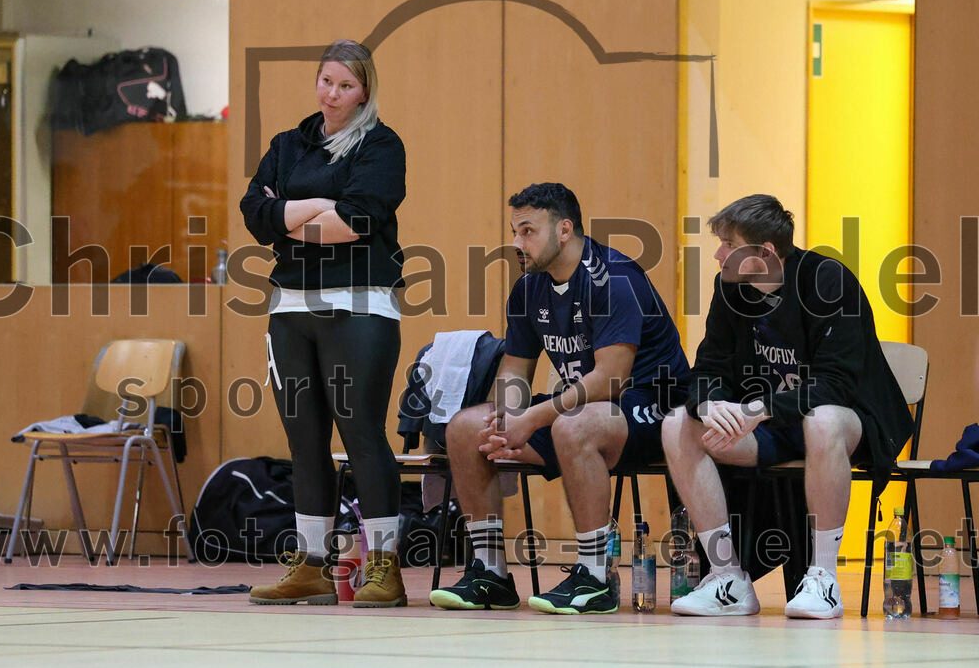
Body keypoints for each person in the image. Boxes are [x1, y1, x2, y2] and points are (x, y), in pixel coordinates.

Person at [429, 183, 690, 614]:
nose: (517, 243)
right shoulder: (529, 288)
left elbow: (610, 380)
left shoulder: (615, 278)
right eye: (514, 231)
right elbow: (515, 370)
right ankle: (490, 573)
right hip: (583, 406)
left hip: (653, 404)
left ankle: (595, 577)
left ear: (564, 230)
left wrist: (530, 419)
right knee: (465, 428)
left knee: (573, 425)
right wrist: (505, 419)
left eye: (528, 231)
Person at [662, 194, 915, 618]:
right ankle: (728, 579)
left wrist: (756, 410)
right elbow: (709, 365)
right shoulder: (729, 288)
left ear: (764, 252)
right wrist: (707, 404)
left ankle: (823, 579)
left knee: (822, 421)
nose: (719, 254)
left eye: (728, 244)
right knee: (677, 424)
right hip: (771, 425)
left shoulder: (827, 281)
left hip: (850, 421)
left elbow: (835, 385)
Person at [240, 39, 407, 608]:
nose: (333, 94)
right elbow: (253, 213)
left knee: (361, 431)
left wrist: (287, 216)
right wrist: (317, 210)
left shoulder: (380, 145)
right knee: (303, 436)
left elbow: (359, 219)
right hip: (289, 306)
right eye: (326, 81)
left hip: (360, 303)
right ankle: (311, 565)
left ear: (364, 91)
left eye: (346, 85)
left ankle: (384, 567)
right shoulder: (287, 145)